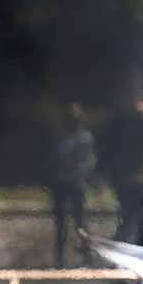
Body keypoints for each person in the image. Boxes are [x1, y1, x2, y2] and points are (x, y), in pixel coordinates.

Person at [99, 89, 143, 248]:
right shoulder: (123, 119)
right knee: (130, 219)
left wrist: (141, 173)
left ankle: (123, 251)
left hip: (142, 180)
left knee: (135, 221)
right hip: (128, 179)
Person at [50, 103, 96, 266]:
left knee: (80, 221)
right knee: (61, 223)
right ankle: (60, 257)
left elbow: (87, 161)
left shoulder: (84, 137)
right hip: (61, 182)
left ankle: (87, 253)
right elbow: (53, 159)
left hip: (76, 183)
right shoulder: (60, 137)